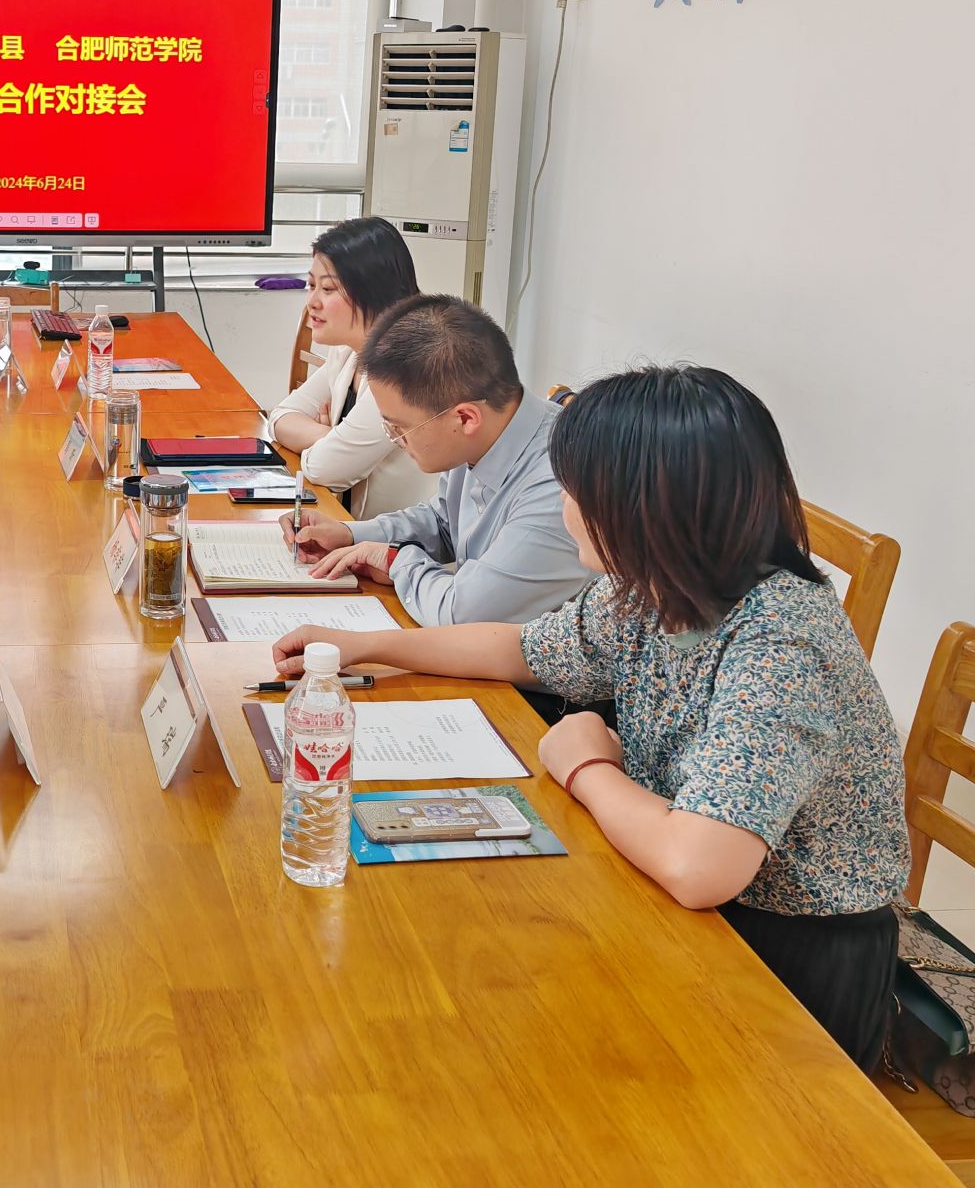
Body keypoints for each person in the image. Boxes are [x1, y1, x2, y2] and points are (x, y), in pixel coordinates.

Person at [270, 365, 911, 1067]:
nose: (563, 504)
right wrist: (369, 644)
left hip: (784, 959)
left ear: (641, 507)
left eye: (574, 489)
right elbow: (519, 649)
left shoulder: (781, 644)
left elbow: (700, 867)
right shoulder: (654, 584)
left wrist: (586, 765)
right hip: (669, 890)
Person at [280, 293, 592, 627]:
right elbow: (444, 522)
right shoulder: (487, 431)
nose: (395, 440)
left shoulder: (560, 486)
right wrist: (350, 535)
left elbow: (463, 614)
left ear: (466, 418)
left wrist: (397, 560)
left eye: (399, 427)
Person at [263, 216, 429, 518]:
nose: (312, 302)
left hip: (396, 541)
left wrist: (331, 443)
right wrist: (334, 436)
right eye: (311, 285)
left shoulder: (405, 365)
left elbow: (326, 469)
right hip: (347, 527)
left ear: (373, 290)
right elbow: (279, 417)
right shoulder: (347, 350)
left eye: (328, 289)